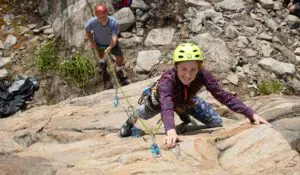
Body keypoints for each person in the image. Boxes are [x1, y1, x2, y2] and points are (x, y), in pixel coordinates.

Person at [119, 43, 269, 148]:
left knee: (215, 121)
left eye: (193, 70)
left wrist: (250, 113)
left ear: (199, 67)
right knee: (144, 114)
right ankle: (134, 115)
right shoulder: (167, 81)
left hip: (186, 99)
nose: (188, 75)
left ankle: (184, 120)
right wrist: (170, 129)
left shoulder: (203, 75)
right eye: (183, 69)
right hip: (160, 101)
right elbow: (166, 105)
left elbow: (222, 95)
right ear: (176, 66)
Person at [85, 4, 129, 89]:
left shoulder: (114, 22)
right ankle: (102, 62)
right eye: (99, 17)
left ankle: (119, 69)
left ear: (107, 13)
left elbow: (114, 37)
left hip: (112, 43)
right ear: (96, 16)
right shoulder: (92, 22)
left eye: (103, 16)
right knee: (101, 54)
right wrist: (91, 41)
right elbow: (87, 31)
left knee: (120, 58)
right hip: (99, 42)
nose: (102, 19)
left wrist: (110, 47)